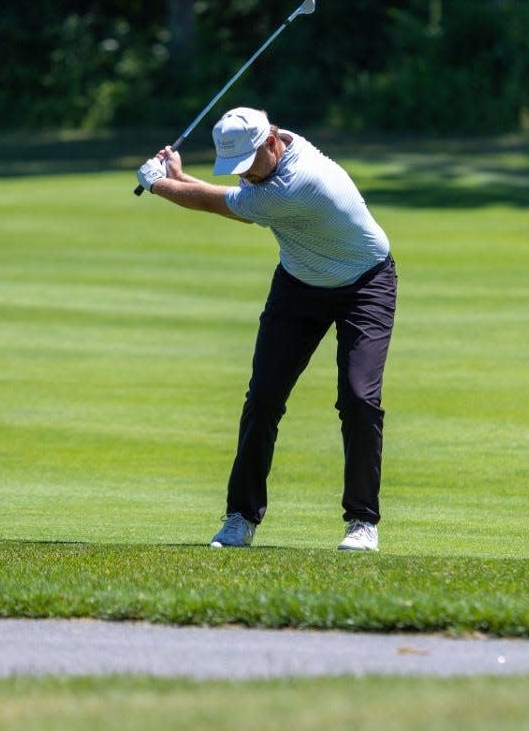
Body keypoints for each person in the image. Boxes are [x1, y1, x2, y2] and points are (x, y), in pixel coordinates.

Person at [136, 107, 397, 551]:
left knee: (358, 399)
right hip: (299, 282)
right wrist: (180, 177)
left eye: (249, 165)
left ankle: (362, 523)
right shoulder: (279, 151)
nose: (246, 175)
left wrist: (159, 183)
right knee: (263, 398)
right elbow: (228, 193)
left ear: (270, 142)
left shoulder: (302, 183)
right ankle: (240, 517)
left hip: (365, 282)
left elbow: (217, 203)